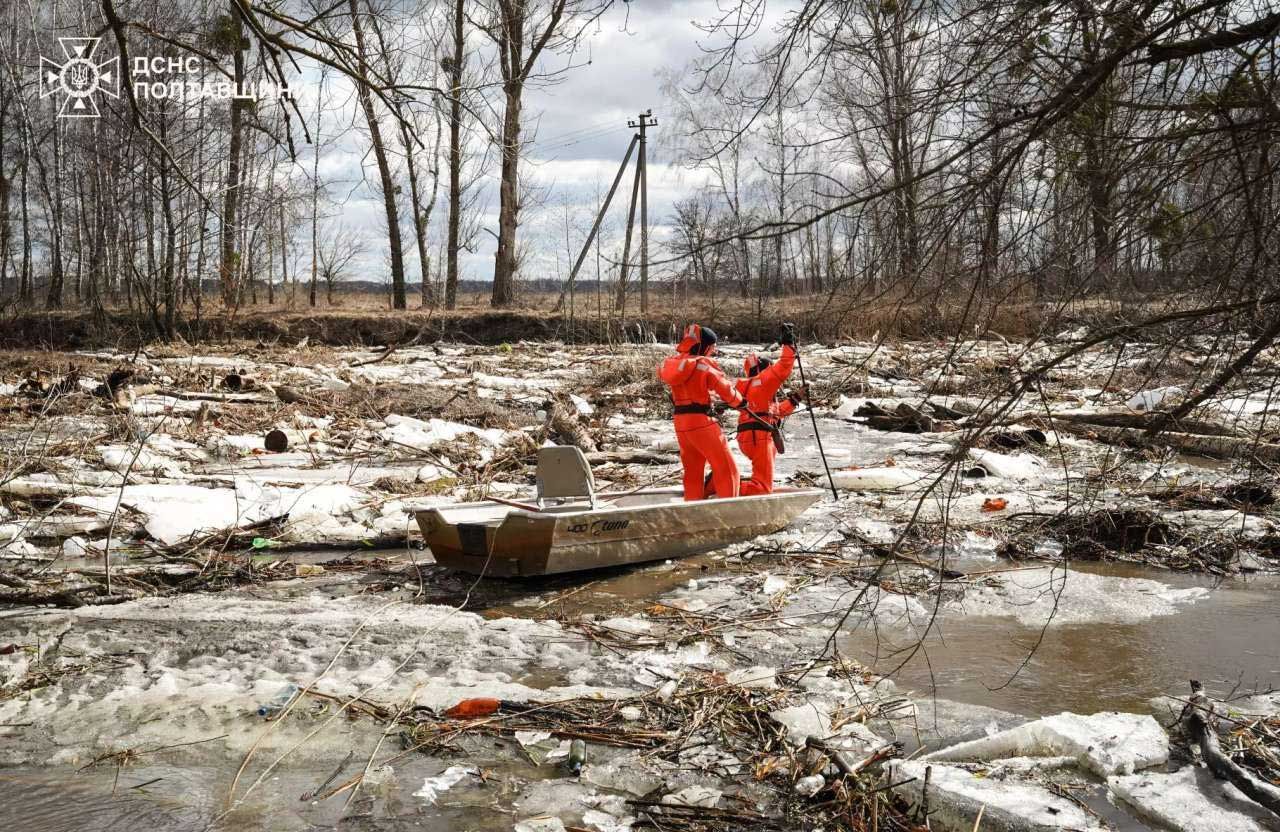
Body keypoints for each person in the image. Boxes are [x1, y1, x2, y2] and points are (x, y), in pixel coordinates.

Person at [658, 324, 748, 500]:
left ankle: (692, 508)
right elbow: (726, 389)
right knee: (727, 468)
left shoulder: (675, 364)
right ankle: (729, 510)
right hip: (701, 423)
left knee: (693, 472)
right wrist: (741, 402)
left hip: (681, 423)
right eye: (712, 347)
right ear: (705, 346)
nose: (712, 351)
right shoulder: (703, 364)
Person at [735, 327, 808, 496]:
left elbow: (771, 412)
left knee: (761, 482)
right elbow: (784, 366)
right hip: (760, 437)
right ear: (766, 370)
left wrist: (795, 399)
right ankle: (722, 484)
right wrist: (788, 344)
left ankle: (728, 483)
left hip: (750, 436)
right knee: (762, 488)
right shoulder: (763, 382)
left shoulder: (748, 386)